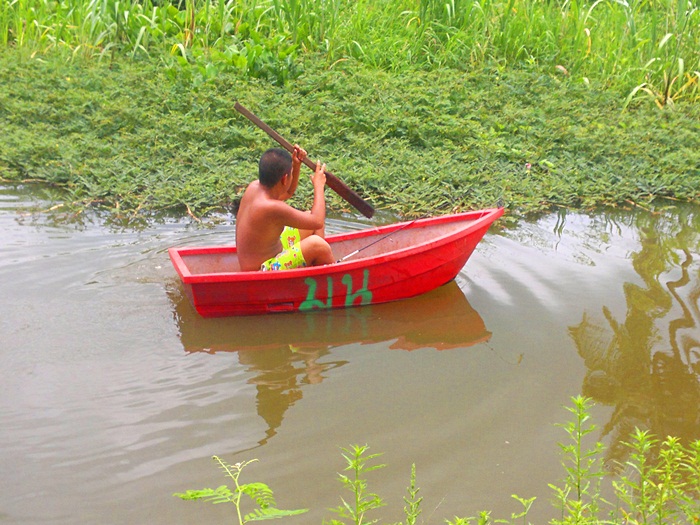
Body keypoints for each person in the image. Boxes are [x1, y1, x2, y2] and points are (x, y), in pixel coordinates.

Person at [235, 145, 335, 272]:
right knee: (317, 244)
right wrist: (319, 186)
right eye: (291, 174)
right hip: (261, 271)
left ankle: (317, 269)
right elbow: (317, 220)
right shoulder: (271, 207)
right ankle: (332, 276)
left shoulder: (254, 187)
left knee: (311, 222)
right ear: (284, 179)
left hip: (273, 254)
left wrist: (296, 166)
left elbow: (288, 193)